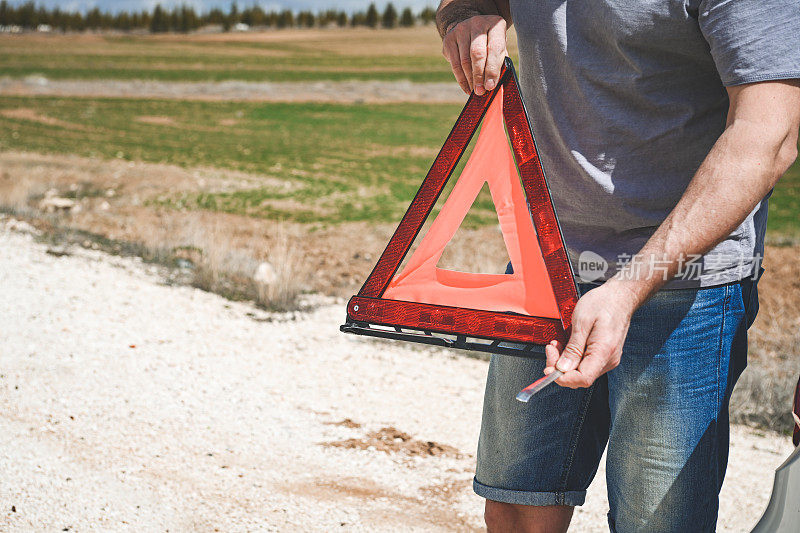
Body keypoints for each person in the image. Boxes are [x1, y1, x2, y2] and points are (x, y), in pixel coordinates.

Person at [434, 1, 800, 531]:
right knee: (517, 504)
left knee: (655, 523)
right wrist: (467, 14)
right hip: (547, 268)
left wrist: (627, 289)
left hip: (684, 283)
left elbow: (769, 137)